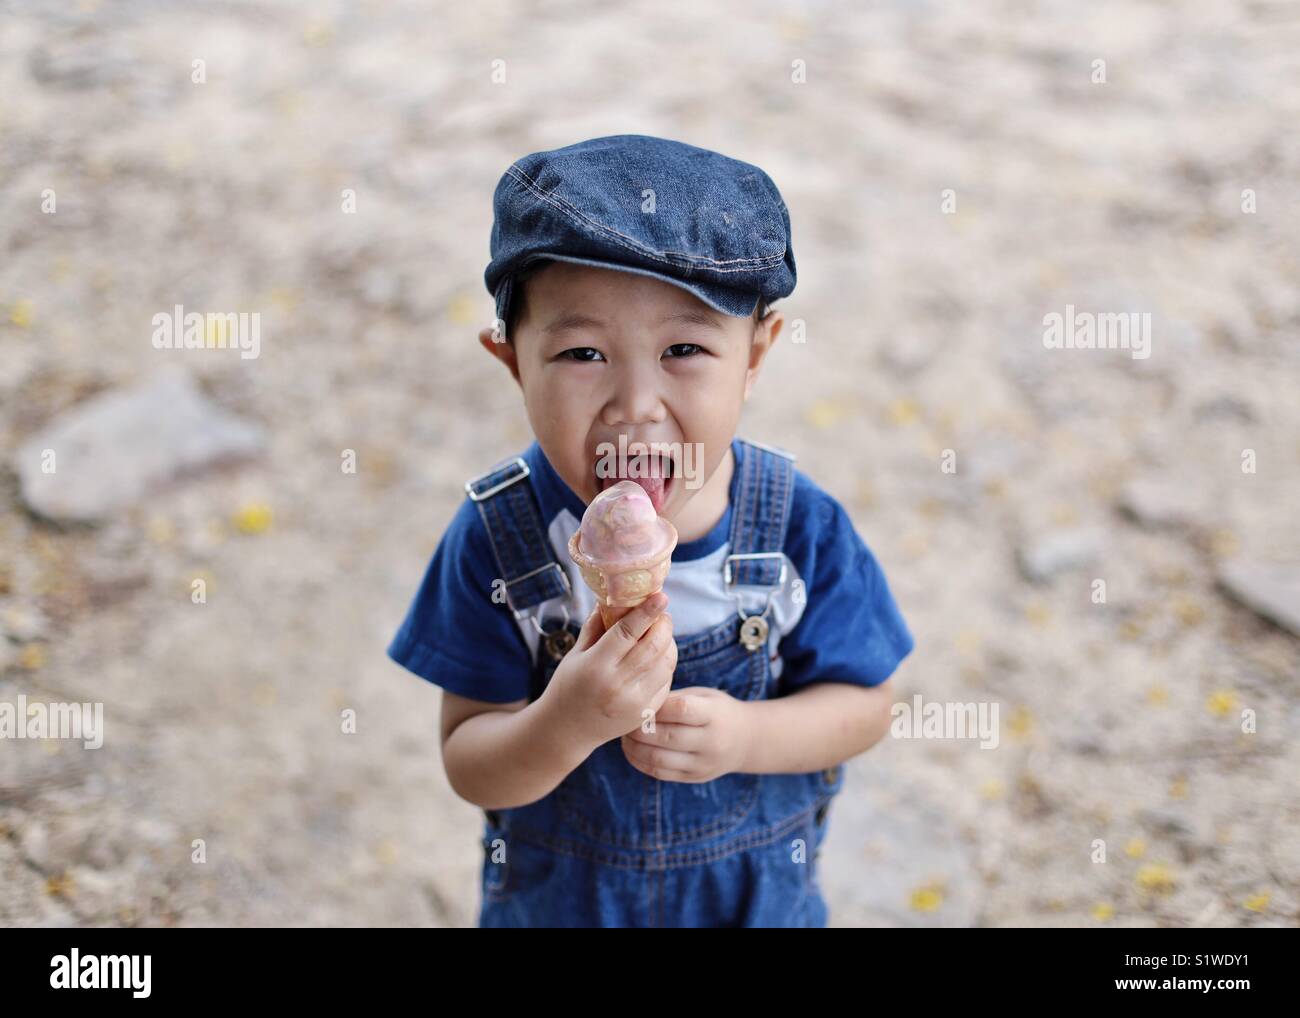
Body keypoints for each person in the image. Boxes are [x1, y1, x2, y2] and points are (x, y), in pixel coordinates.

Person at [388, 135, 914, 926]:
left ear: (756, 355)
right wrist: (561, 726)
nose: (636, 404)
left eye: (684, 349)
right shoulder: (500, 538)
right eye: (582, 352)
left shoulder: (800, 528)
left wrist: (747, 737)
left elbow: (868, 706)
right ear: (511, 362)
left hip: (750, 906)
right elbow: (470, 761)